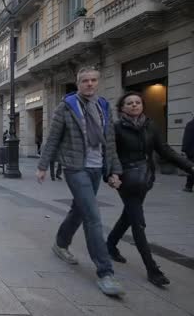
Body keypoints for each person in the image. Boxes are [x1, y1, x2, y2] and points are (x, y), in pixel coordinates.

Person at [36, 67, 125, 296]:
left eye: (94, 80)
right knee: (93, 217)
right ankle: (106, 273)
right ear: (78, 83)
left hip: (97, 168)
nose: (89, 84)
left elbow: (110, 142)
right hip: (75, 167)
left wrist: (114, 170)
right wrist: (43, 166)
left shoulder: (103, 106)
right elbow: (53, 137)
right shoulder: (66, 106)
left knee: (79, 209)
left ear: (98, 82)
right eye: (85, 80)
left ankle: (60, 243)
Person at [106, 92, 194, 287]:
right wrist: (111, 176)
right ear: (122, 108)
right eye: (129, 103)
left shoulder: (150, 126)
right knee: (138, 222)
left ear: (142, 106)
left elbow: (165, 150)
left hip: (145, 179)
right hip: (126, 180)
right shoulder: (116, 128)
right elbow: (110, 155)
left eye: (137, 102)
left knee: (128, 216)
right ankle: (152, 269)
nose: (134, 105)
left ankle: (110, 244)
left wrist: (190, 167)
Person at [182, 114, 194, 192]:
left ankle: (188, 186)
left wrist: (185, 150)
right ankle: (188, 186)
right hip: (192, 151)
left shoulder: (189, 124)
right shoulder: (190, 124)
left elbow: (186, 138)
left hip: (191, 152)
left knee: (191, 169)